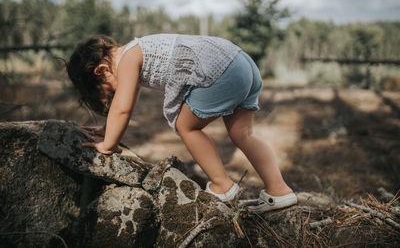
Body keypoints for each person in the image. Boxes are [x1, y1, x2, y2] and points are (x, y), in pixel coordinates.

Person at [66, 34, 297, 212]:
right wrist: (108, 130)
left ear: (102, 71)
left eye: (106, 92)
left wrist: (108, 145)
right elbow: (124, 105)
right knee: (243, 134)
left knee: (187, 127)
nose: (110, 98)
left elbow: (122, 107)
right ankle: (280, 190)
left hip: (220, 68)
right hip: (242, 63)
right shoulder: (134, 50)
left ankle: (222, 186)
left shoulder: (127, 59)